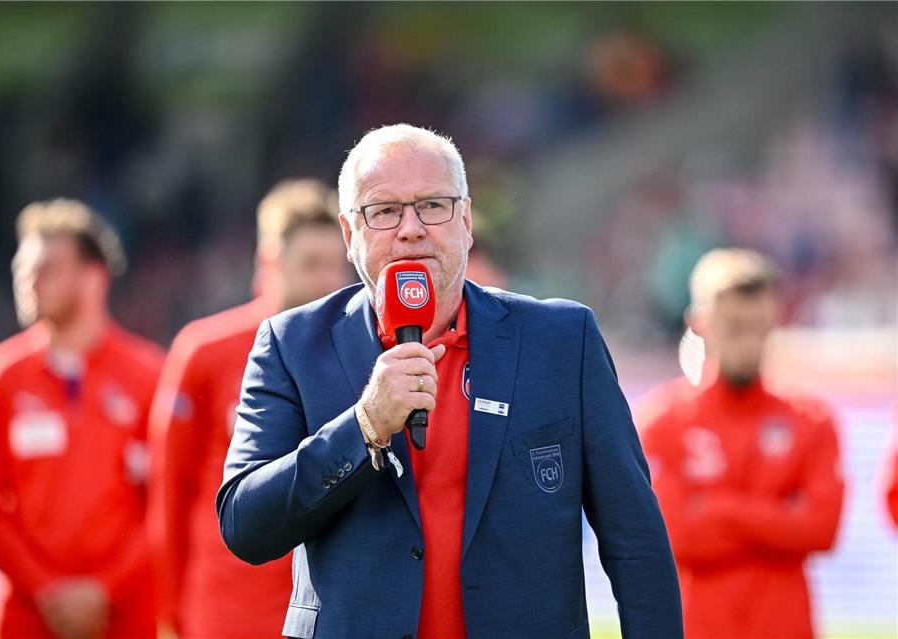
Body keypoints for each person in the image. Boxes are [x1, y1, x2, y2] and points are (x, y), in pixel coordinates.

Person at [217, 124, 683, 639]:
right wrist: (364, 426)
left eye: (433, 206)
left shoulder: (562, 340)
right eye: (385, 211)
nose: (411, 229)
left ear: (466, 222)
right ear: (350, 236)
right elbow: (245, 525)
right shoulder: (291, 344)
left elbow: (633, 536)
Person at [147, 178, 352, 638]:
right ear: (269, 263)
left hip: (328, 603)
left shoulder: (362, 355)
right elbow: (169, 491)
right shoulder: (206, 351)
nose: (327, 280)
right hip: (228, 608)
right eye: (310, 264)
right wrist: (168, 608)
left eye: (335, 265)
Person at [0, 199, 163, 639]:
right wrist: (48, 590)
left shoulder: (151, 376)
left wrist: (104, 589)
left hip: (124, 617)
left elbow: (163, 505)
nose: (27, 281)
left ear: (93, 278)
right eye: (21, 269)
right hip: (27, 617)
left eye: (46, 268)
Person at [638, 248, 845, 639]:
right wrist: (779, 516)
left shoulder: (812, 420)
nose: (749, 342)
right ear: (700, 324)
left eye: (760, 326)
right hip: (697, 627)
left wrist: (717, 509)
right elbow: (672, 536)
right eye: (734, 326)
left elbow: (822, 528)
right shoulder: (662, 421)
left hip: (785, 627)